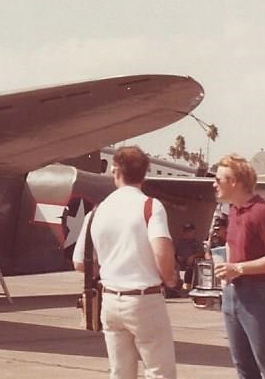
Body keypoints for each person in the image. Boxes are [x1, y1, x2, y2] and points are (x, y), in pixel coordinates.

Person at [73, 145, 180, 379]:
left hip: (110, 301)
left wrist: (107, 269)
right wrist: (170, 278)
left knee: (120, 372)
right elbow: (162, 251)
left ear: (115, 171)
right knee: (159, 371)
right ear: (144, 173)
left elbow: (80, 262)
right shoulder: (150, 206)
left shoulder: (97, 211)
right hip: (144, 300)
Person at [213, 154, 265, 379]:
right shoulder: (234, 210)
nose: (214, 184)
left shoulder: (261, 212)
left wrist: (238, 269)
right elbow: (230, 242)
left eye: (219, 179)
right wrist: (226, 268)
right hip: (233, 293)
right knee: (244, 368)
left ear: (234, 181)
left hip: (260, 296)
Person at [175, 222, 204, 288]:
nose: (188, 233)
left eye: (190, 231)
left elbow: (202, 254)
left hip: (192, 266)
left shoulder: (197, 243)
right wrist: (179, 258)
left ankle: (187, 286)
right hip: (181, 266)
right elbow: (176, 254)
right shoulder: (180, 243)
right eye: (186, 232)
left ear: (193, 232)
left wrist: (193, 256)